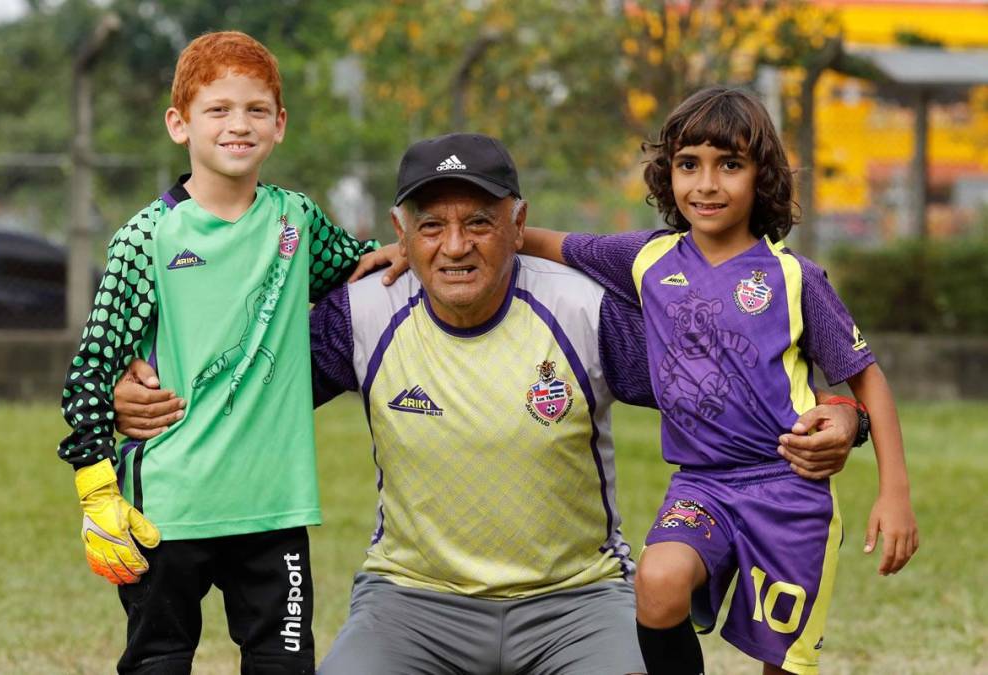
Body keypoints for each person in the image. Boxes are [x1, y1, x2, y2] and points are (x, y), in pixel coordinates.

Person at [114, 132, 863, 674]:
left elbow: (724, 379)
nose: (455, 245)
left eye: (478, 220)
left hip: (575, 602)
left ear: (516, 221)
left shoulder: (582, 309)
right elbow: (243, 386)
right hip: (412, 602)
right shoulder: (364, 312)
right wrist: (133, 382)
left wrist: (844, 417)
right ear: (400, 231)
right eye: (431, 224)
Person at [521, 87, 919, 675]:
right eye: (689, 165)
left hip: (790, 490)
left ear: (762, 178)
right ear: (667, 175)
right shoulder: (646, 259)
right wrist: (410, 247)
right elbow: (543, 243)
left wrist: (895, 493)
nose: (706, 184)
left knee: (781, 663)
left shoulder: (794, 278)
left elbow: (869, 381)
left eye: (729, 165)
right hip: (701, 486)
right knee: (657, 582)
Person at [56, 31, 385, 674]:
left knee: (284, 663)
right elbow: (91, 372)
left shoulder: (298, 221)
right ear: (179, 124)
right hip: (170, 508)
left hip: (275, 506)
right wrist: (97, 491)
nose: (239, 124)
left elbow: (357, 268)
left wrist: (405, 254)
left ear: (280, 124)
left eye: (256, 109)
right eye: (218, 109)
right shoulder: (145, 237)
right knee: (159, 660)